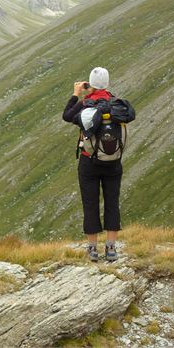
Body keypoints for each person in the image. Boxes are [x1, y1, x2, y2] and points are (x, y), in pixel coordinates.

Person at [62, 67, 121, 262]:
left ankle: (93, 250)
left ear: (90, 84)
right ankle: (111, 249)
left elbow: (67, 116)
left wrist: (76, 94)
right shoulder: (115, 103)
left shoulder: (85, 103)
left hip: (89, 161)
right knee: (112, 202)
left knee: (90, 203)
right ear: (108, 83)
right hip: (113, 161)